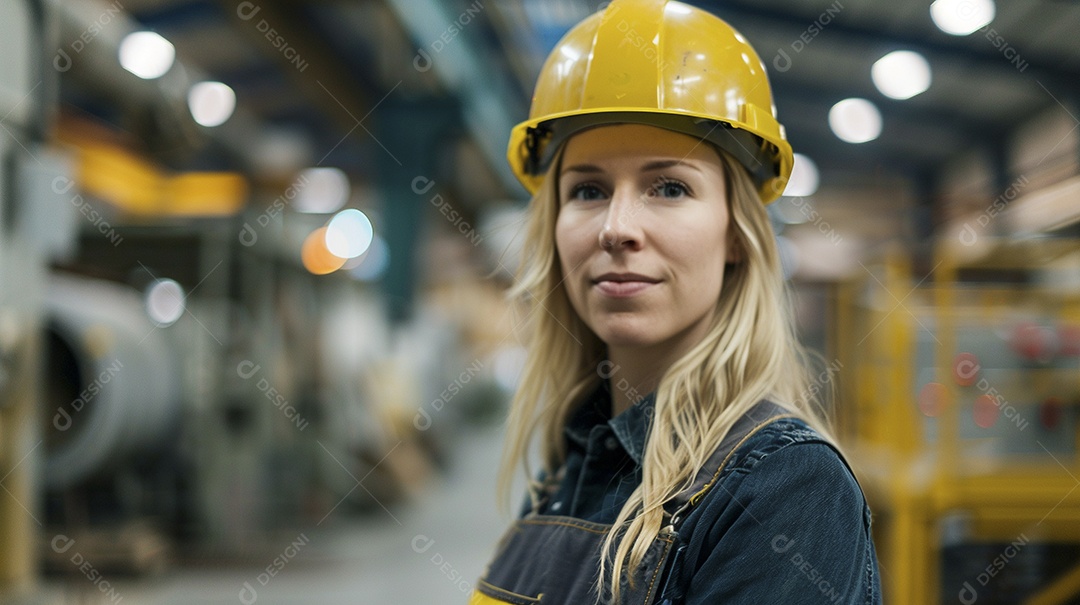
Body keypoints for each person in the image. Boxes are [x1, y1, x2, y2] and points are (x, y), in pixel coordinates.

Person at [472, 0, 882, 603]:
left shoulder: (782, 487)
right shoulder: (578, 458)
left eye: (670, 187)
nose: (617, 228)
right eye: (587, 189)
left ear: (736, 236)